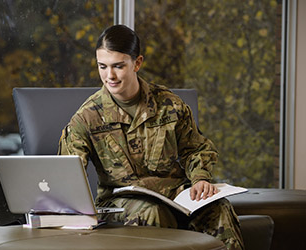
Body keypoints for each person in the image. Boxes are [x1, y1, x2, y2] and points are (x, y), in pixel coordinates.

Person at [58, 24, 244, 250]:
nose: (110, 76)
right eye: (103, 66)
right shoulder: (87, 117)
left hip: (174, 198)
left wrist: (200, 179)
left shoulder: (169, 105)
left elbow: (196, 149)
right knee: (152, 213)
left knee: (220, 208)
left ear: (137, 63)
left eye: (118, 66)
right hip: (120, 205)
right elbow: (67, 172)